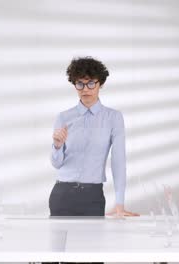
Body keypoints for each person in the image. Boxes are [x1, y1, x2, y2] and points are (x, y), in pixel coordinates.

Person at [49, 57, 138, 217]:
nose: (85, 89)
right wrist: (57, 146)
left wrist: (119, 203)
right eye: (80, 84)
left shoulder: (113, 118)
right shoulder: (63, 117)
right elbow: (56, 164)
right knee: (59, 242)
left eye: (91, 83)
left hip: (93, 197)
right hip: (62, 195)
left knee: (94, 242)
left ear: (100, 83)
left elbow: (118, 161)